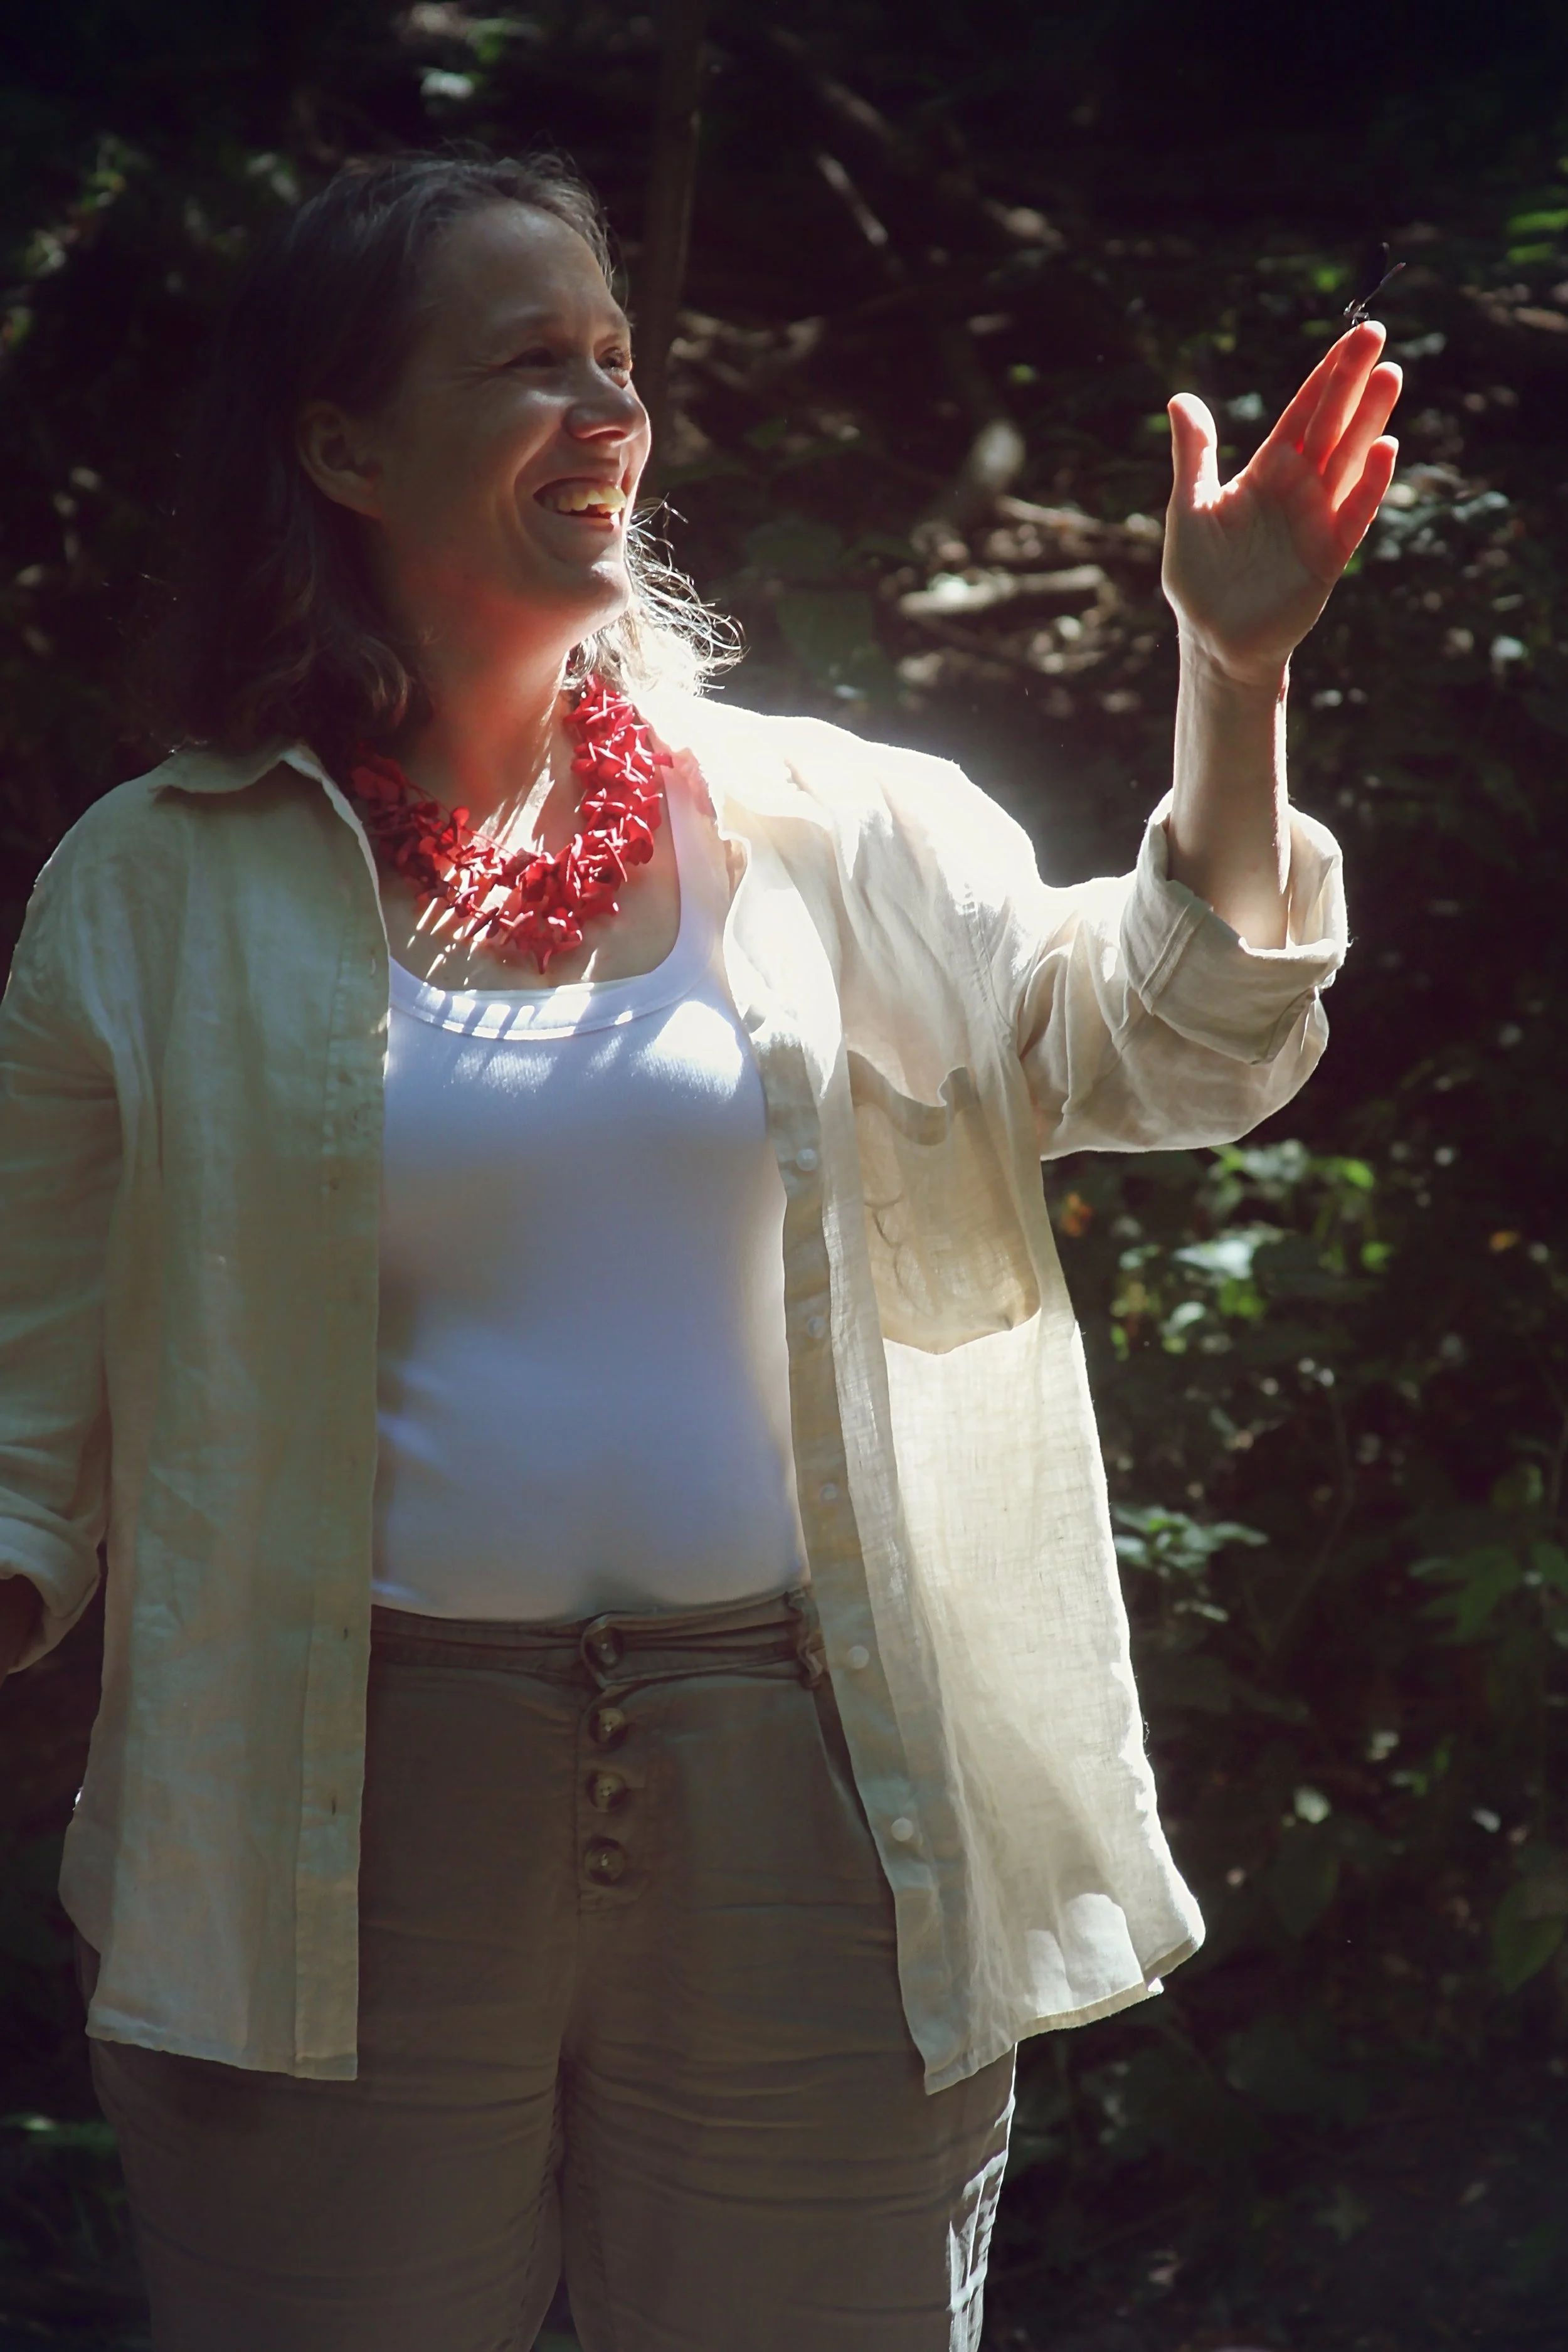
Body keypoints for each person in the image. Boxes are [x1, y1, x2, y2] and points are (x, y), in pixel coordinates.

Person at [0, 150, 1397, 2352]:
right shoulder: (151, 886)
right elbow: (26, 1397)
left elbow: (1170, 1043)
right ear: (342, 446)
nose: (605, 407)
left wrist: (1232, 674)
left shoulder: (836, 829)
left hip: (802, 1784)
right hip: (317, 1812)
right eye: (527, 361)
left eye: (616, 359)